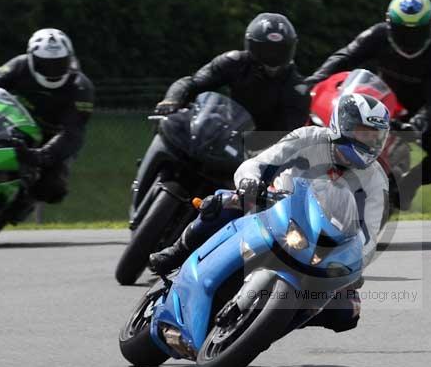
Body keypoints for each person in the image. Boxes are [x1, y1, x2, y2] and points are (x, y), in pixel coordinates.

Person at [149, 93, 391, 332]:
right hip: (273, 209)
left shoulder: (376, 179)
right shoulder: (308, 137)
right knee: (223, 202)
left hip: (321, 246)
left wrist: (353, 264)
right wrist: (249, 182)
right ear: (344, 125)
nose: (369, 141)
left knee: (347, 311)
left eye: (375, 136)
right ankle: (177, 252)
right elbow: (257, 163)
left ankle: (267, 328)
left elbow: (367, 237)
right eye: (363, 132)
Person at [304, 0, 431, 209]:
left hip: (417, 110)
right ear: (390, 24)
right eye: (402, 30)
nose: (409, 38)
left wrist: (421, 121)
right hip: (379, 100)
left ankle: (405, 188)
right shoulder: (379, 34)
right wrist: (314, 80)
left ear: (430, 27)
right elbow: (345, 56)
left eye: (417, 31)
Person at [0, 28, 95, 210]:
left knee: (52, 188)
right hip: (12, 122)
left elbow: (72, 132)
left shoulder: (81, 88)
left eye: (59, 63)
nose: (53, 70)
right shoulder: (20, 65)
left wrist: (43, 155)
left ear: (70, 60)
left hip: (51, 137)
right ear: (32, 59)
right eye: (45, 64)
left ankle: (19, 204)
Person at [153, 12, 310, 149]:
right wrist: (171, 101)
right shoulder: (233, 62)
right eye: (266, 50)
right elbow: (191, 83)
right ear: (251, 45)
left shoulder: (297, 88)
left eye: (279, 51)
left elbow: (289, 136)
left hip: (260, 153)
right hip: (222, 136)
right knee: (171, 133)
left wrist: (250, 145)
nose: (272, 57)